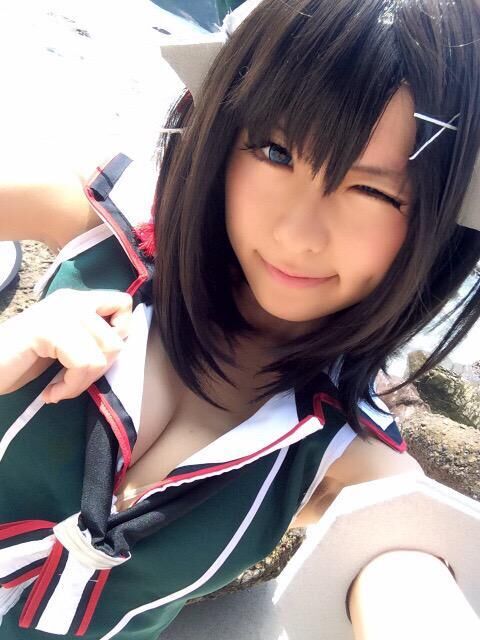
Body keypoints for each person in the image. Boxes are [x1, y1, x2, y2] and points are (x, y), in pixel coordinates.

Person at [0, 0, 479, 638]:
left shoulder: (347, 454)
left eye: (373, 190)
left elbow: (409, 582)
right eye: (276, 152)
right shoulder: (103, 228)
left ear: (442, 222)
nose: (296, 234)